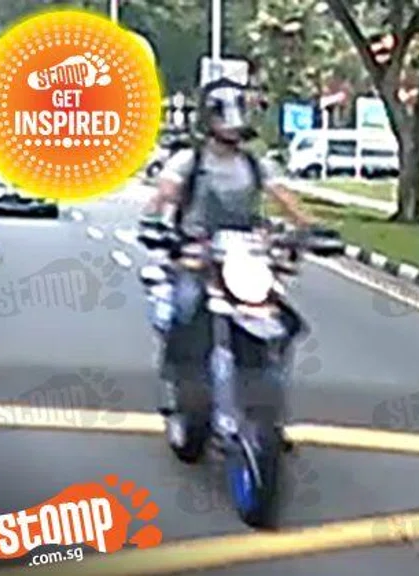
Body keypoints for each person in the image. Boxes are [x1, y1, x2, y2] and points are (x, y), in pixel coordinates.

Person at [142, 77, 316, 444]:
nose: (231, 125)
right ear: (208, 119)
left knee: (281, 323)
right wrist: (157, 223)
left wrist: (312, 229)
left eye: (235, 116)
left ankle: (270, 410)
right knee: (187, 309)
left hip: (245, 255)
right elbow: (164, 195)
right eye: (223, 117)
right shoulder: (190, 160)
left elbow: (284, 196)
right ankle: (183, 390)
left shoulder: (255, 163)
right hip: (197, 253)